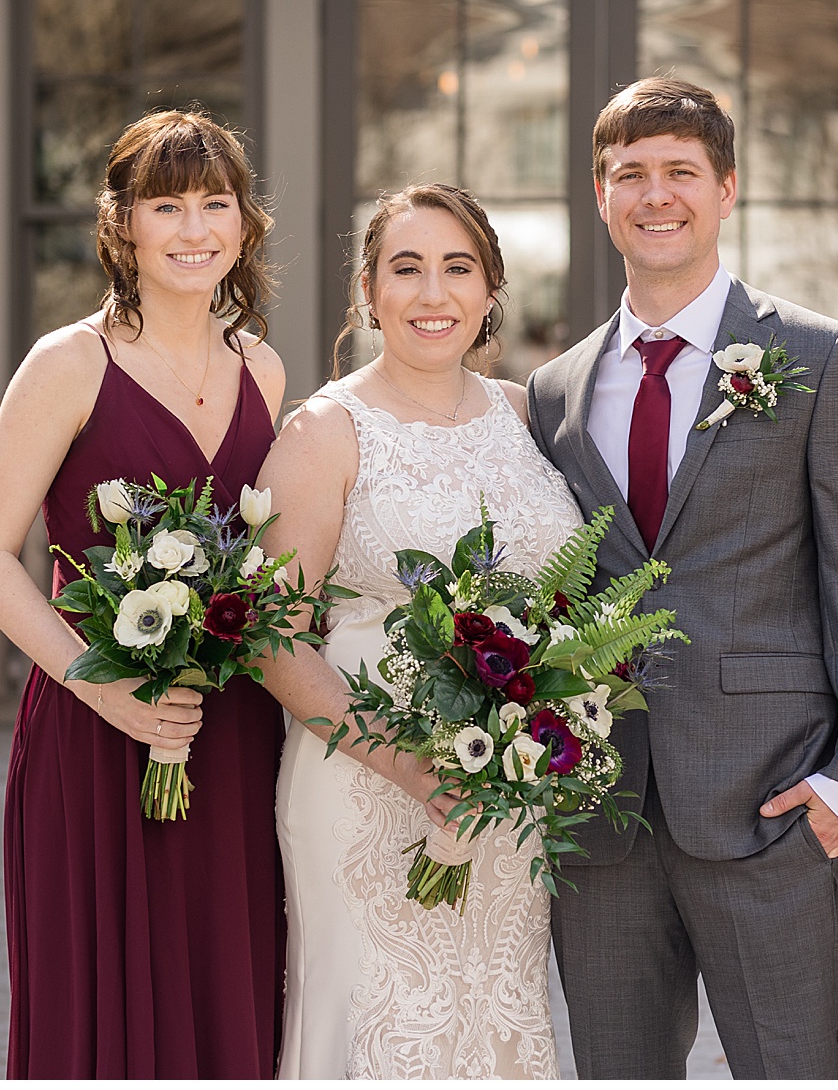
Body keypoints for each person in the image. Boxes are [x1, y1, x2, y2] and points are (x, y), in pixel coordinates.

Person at [525, 77, 838, 1079]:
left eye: (680, 172)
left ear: (726, 189)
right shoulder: (555, 389)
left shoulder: (820, 358)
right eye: (630, 174)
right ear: (600, 194)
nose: (657, 195)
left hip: (769, 800)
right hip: (600, 811)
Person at [0, 110, 291, 1076]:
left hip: (224, 731)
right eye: (167, 205)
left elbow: (272, 562)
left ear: (244, 223)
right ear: (124, 226)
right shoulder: (69, 364)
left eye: (215, 204)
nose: (194, 230)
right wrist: (104, 688)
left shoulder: (262, 370)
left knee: (229, 985)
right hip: (93, 724)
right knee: (97, 1001)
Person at [259, 182, 583, 1079]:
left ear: (489, 293)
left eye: (457, 269)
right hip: (362, 783)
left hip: (506, 785)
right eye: (406, 269)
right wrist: (409, 765)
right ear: (368, 292)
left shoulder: (527, 417)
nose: (432, 294)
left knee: (496, 1010)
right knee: (379, 1016)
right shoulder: (327, 430)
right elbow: (272, 636)